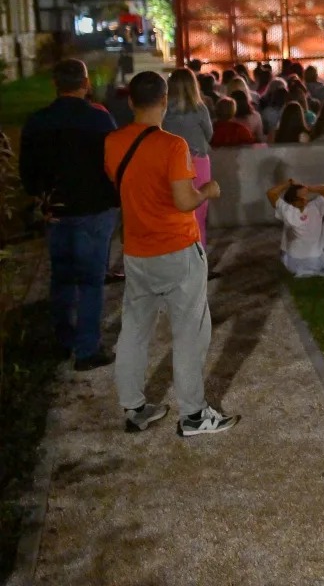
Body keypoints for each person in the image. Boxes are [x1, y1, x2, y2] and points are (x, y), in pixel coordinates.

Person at [105, 71, 236, 436]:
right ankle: (194, 415)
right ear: (164, 101)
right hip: (177, 249)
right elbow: (183, 201)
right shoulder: (173, 145)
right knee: (190, 331)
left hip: (137, 250)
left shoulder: (113, 142)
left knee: (134, 329)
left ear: (131, 102)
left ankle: (134, 407)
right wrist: (207, 190)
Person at [19, 59, 119, 371]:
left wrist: (41, 197)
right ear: (85, 84)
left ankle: (63, 342)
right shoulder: (100, 121)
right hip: (94, 209)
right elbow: (113, 164)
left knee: (62, 278)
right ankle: (87, 350)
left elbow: (27, 172)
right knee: (90, 280)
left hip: (56, 210)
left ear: (55, 84)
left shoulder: (37, 122)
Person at [162, 69, 214, 247]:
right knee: (199, 211)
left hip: (172, 162)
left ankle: (178, 251)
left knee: (175, 209)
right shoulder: (199, 108)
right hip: (198, 160)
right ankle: (200, 254)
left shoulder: (163, 110)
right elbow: (209, 134)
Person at [266, 179, 324, 276]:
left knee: (287, 229)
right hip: (317, 261)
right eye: (303, 196)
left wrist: (288, 183)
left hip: (293, 263)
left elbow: (271, 193)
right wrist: (308, 188)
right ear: (296, 200)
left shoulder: (288, 210)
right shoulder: (315, 206)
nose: (305, 198)